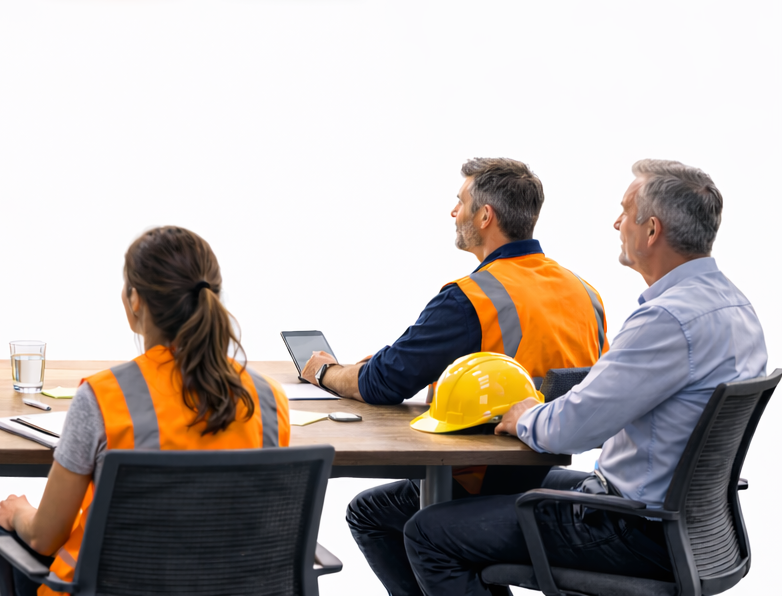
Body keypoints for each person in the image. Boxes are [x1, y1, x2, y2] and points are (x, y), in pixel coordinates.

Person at [403, 159, 767, 594]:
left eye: (624, 212)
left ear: (651, 231)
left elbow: (571, 430)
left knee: (429, 532)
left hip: (631, 528)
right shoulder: (736, 307)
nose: (616, 223)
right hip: (692, 525)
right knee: (480, 500)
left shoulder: (667, 320)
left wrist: (525, 416)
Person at [315, 158, 609, 596]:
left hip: (477, 478)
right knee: (381, 511)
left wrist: (324, 371)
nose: (454, 212)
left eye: (460, 202)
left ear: (485, 215)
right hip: (540, 469)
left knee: (371, 514)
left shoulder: (473, 297)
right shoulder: (585, 291)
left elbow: (380, 385)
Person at [0, 226, 290, 596]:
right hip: (230, 588)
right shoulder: (270, 398)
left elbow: (45, 537)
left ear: (135, 302)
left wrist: (18, 512)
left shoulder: (103, 398)